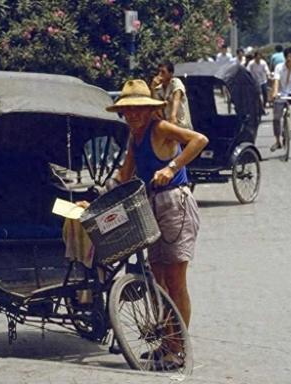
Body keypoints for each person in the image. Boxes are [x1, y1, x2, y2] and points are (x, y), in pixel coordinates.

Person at [106, 79, 208, 369]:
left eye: (139, 110)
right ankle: (167, 345)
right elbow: (124, 174)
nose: (134, 116)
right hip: (150, 205)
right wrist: (98, 196)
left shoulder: (160, 128)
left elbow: (199, 140)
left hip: (175, 203)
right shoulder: (133, 137)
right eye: (129, 111)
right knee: (159, 280)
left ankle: (179, 348)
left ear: (150, 111)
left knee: (176, 280)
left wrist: (171, 167)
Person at [270, 47, 291, 150]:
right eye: (287, 56)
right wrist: (275, 92)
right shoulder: (279, 67)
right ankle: (277, 141)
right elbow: (276, 80)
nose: (289, 59)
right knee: (276, 118)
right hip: (281, 93)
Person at [151, 60, 193, 130]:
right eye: (159, 72)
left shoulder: (176, 82)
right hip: (168, 125)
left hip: (182, 125)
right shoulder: (158, 89)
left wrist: (173, 116)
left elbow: (176, 99)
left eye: (163, 72)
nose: (160, 74)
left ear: (170, 73)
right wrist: (152, 88)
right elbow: (157, 108)